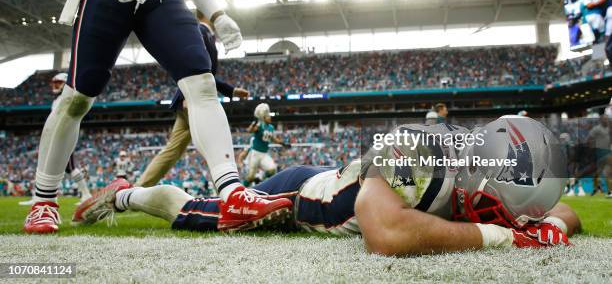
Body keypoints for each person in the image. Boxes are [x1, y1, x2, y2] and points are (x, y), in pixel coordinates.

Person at [24, 0, 292, 234]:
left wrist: (217, 14)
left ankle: (232, 193)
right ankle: (44, 200)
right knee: (77, 97)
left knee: (202, 84)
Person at [74, 117, 579, 255]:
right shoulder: (419, 148)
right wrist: (505, 236)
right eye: (494, 210)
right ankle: (124, 193)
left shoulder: (498, 170)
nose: (507, 221)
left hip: (344, 184)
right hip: (298, 197)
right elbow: (387, 235)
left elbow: (563, 218)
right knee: (206, 214)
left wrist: (550, 224)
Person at [135, 11, 249, 188]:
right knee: (216, 143)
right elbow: (193, 68)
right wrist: (190, 95)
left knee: (173, 150)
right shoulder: (200, 32)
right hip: (194, 98)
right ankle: (231, 190)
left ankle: (137, 190)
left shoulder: (204, 34)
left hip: (192, 98)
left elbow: (205, 74)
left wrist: (232, 91)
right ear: (207, 16)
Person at [20, 73, 92, 206]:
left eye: (58, 82)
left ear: (65, 83)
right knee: (62, 167)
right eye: (54, 83)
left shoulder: (66, 97)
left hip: (63, 136)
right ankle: (39, 196)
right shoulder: (57, 100)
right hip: (58, 136)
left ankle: (86, 194)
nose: (55, 85)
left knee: (70, 168)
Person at [238, 103, 290, 184]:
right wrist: (253, 125)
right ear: (263, 117)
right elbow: (250, 130)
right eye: (268, 116)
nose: (270, 118)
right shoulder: (259, 125)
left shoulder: (271, 127)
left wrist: (283, 143)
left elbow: (273, 139)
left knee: (272, 170)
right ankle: (242, 188)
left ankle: (260, 178)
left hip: (264, 154)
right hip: (255, 153)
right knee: (250, 177)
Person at [587, 115, 611, 195]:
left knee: (608, 172)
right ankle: (596, 188)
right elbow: (589, 138)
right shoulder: (596, 129)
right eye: (605, 119)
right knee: (597, 173)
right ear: (601, 120)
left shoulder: (608, 129)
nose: (607, 120)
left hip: (607, 153)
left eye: (607, 119)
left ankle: (609, 191)